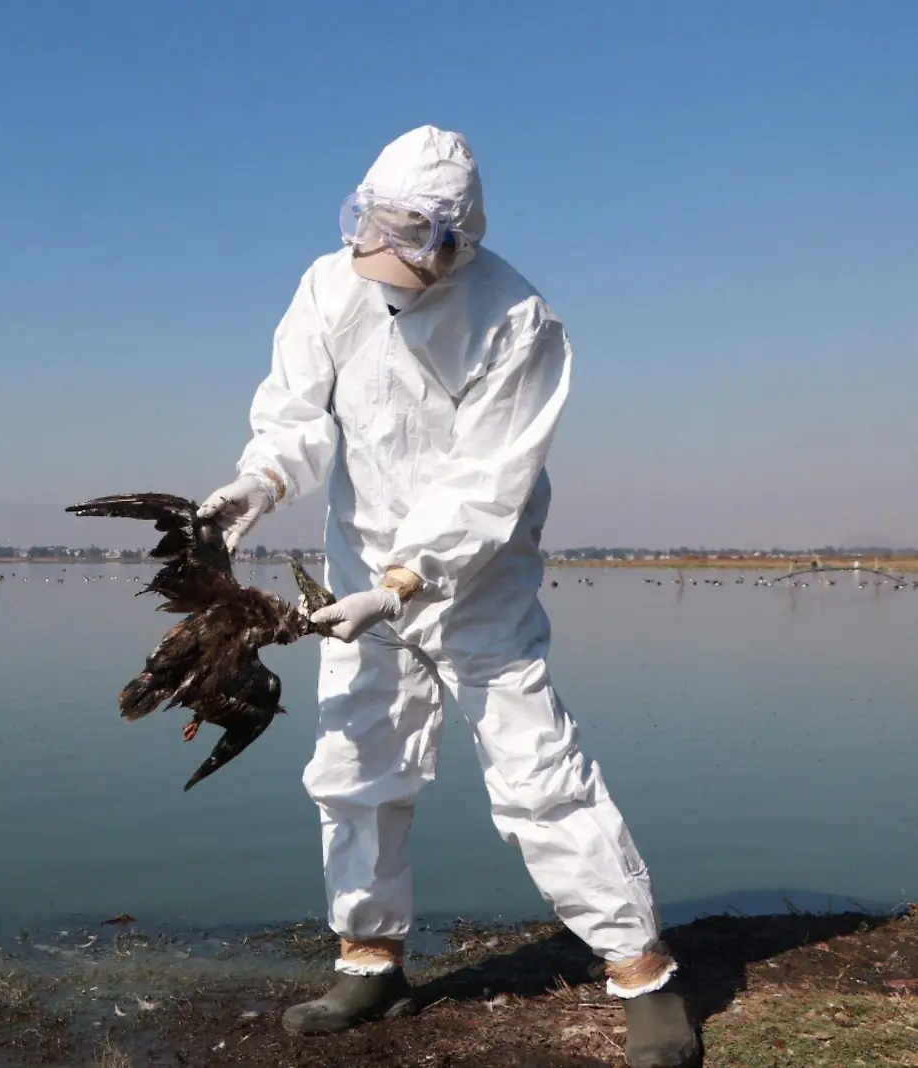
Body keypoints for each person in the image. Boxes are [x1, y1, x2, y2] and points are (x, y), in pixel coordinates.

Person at [197, 126, 699, 1068]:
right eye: (369, 226)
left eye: (403, 236)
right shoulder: (328, 284)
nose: (376, 251)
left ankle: (643, 974)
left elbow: (487, 484)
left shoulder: (519, 320)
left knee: (539, 777)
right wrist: (254, 484)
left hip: (477, 586)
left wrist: (405, 583)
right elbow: (295, 416)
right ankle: (370, 958)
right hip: (358, 574)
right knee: (354, 770)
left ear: (454, 242)